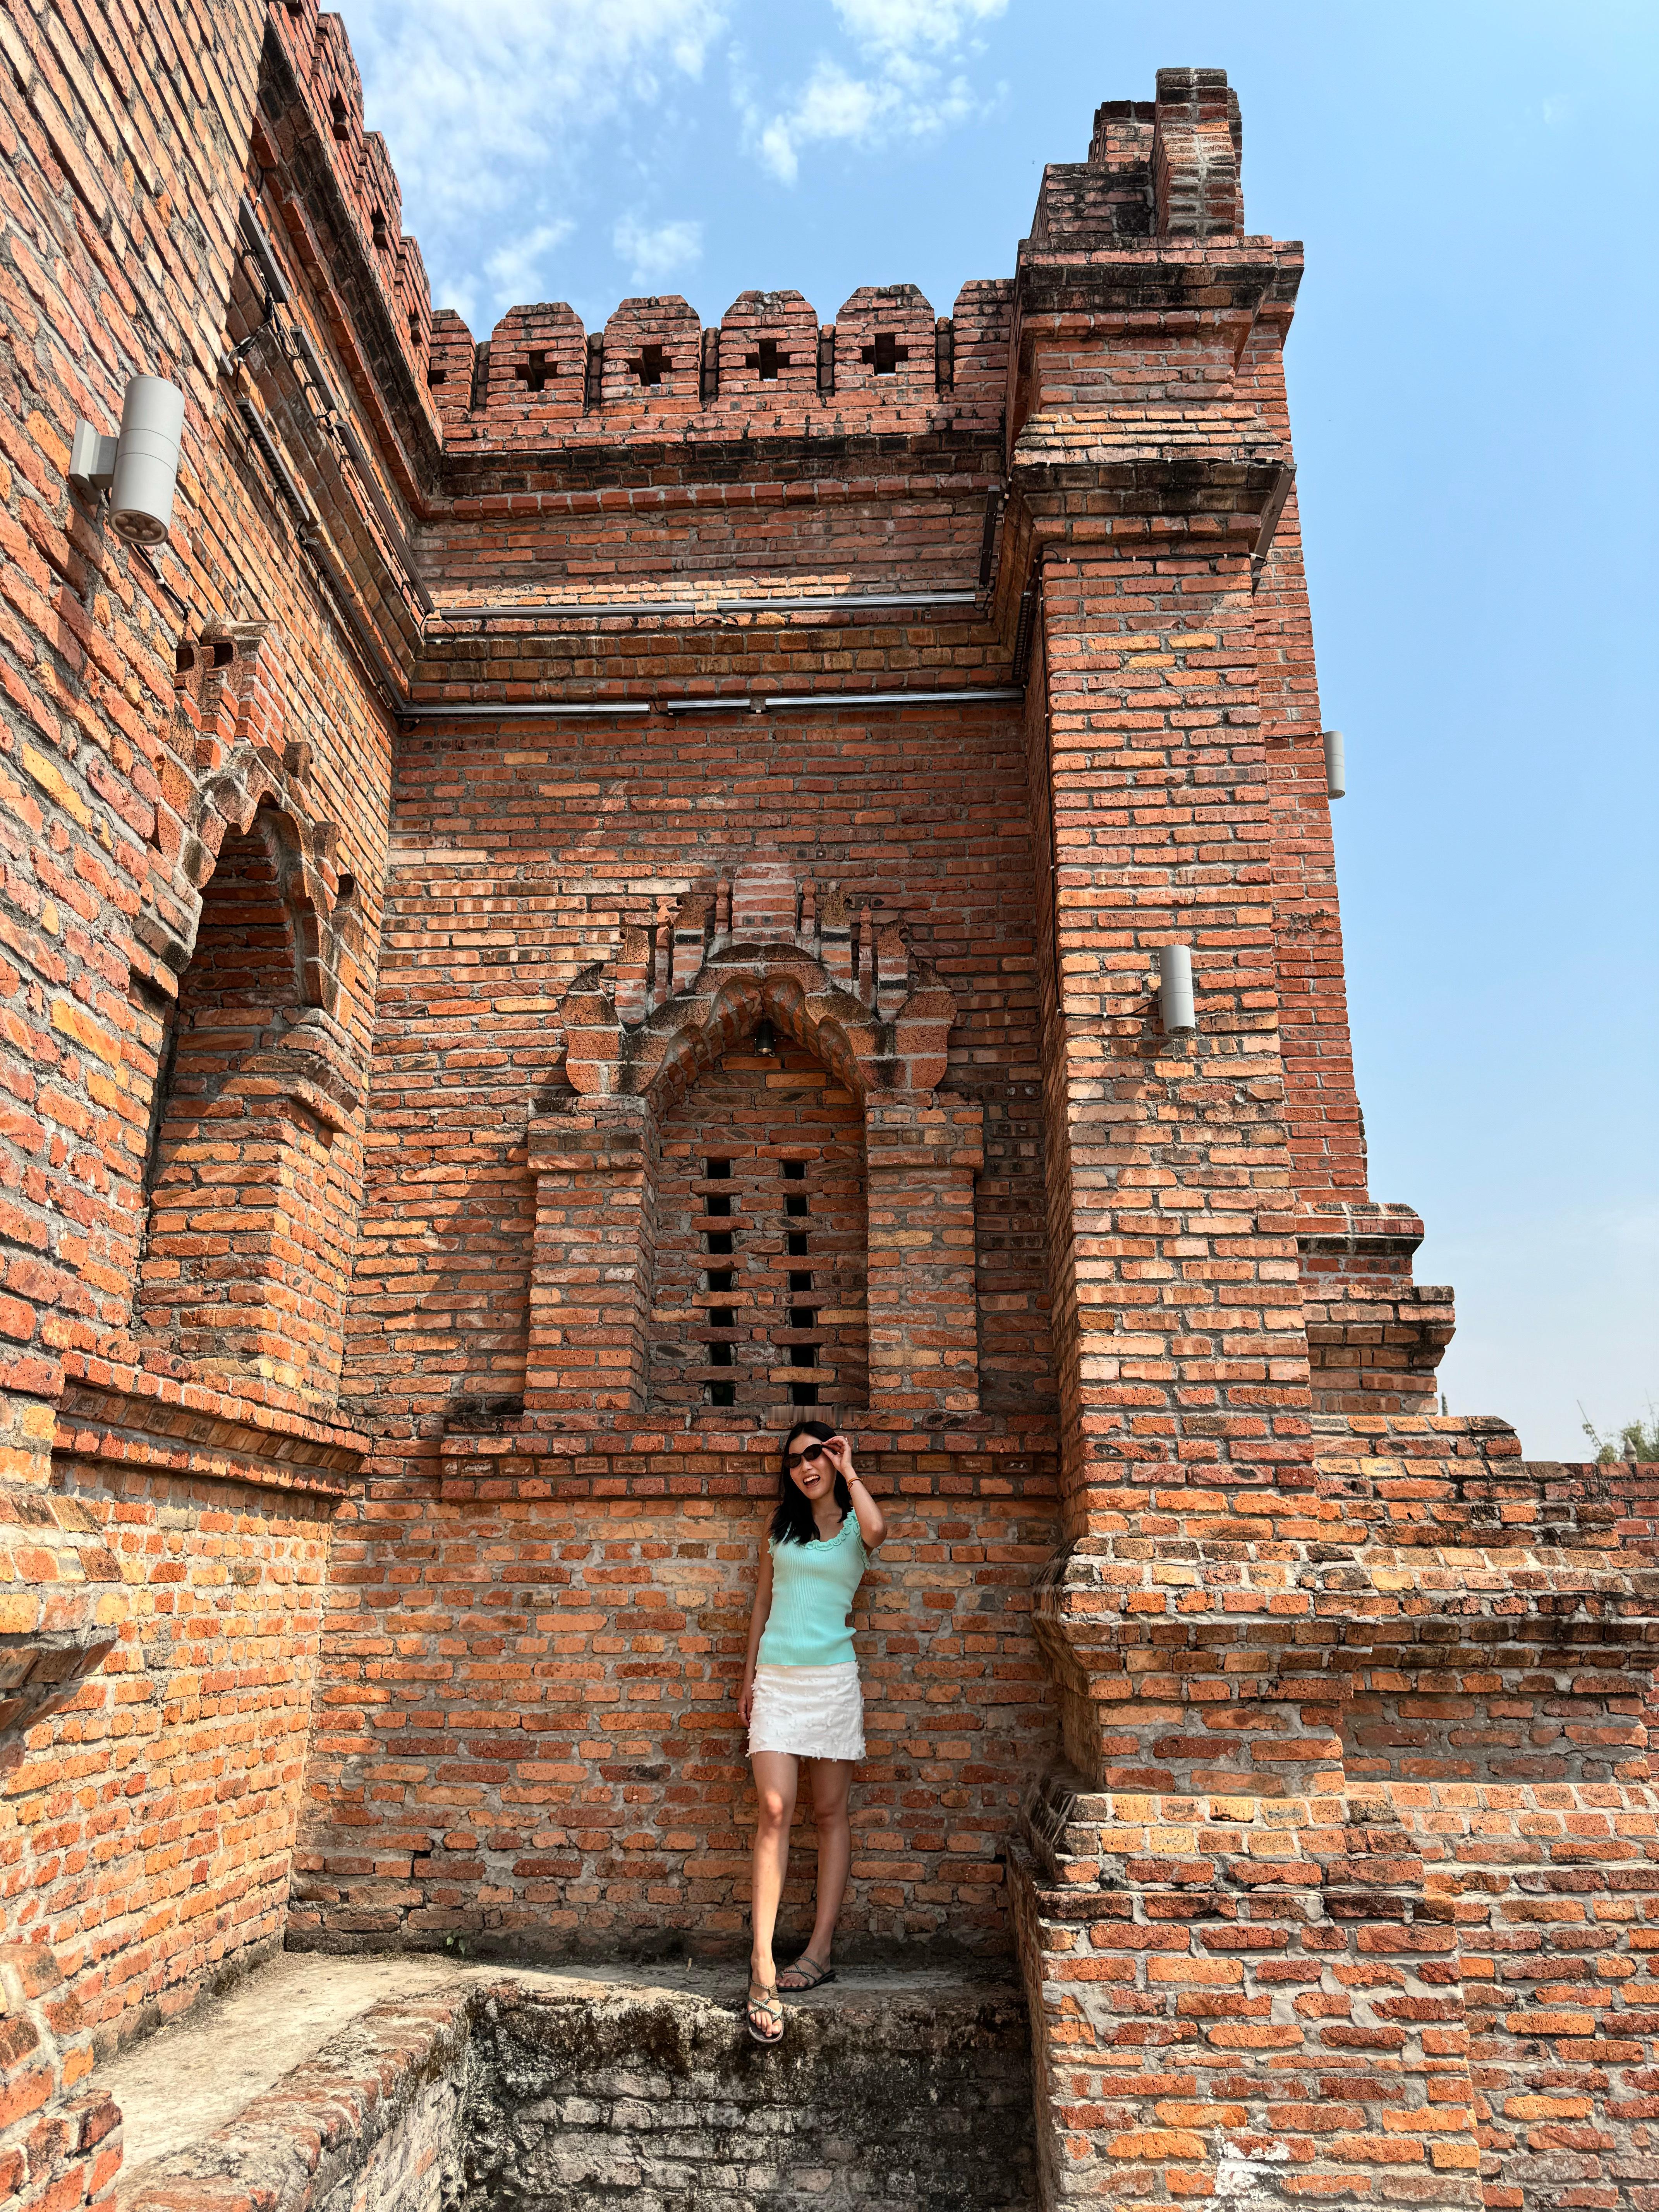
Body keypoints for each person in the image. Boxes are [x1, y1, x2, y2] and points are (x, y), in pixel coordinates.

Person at [738, 1419, 886, 2045]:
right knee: (775, 1809)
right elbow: (762, 1604)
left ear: (833, 1458)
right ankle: (762, 1965)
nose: (806, 1467)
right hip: (778, 1681)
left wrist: (851, 1471)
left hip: (832, 1684)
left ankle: (820, 1951)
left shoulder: (855, 1527)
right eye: (796, 1459)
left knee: (829, 1815)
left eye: (817, 1455)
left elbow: (879, 1531)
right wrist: (747, 1678)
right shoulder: (781, 1527)